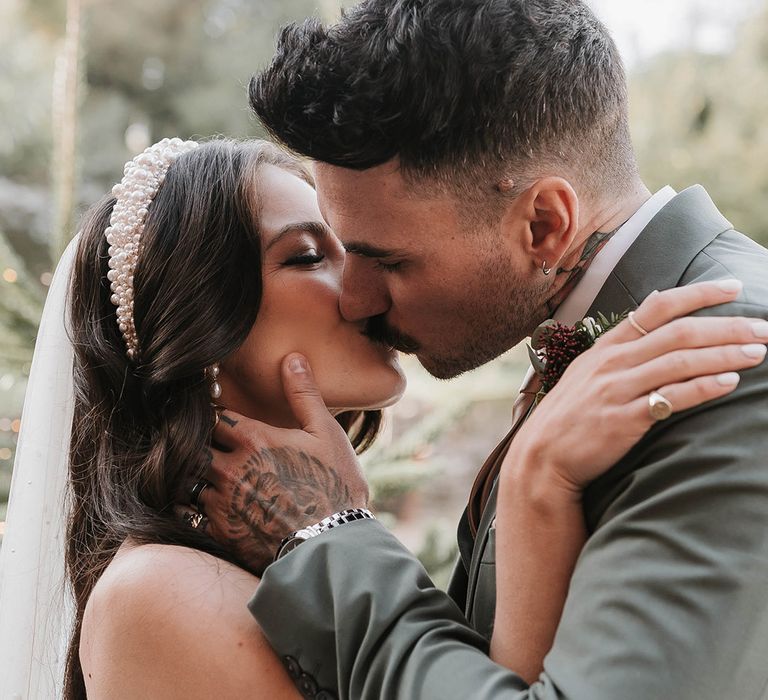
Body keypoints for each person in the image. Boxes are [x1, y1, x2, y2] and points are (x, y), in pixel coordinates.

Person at [0, 136, 759, 700]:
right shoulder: (160, 595)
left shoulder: (294, 544)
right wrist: (538, 484)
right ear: (201, 330)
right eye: (306, 257)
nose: (359, 292)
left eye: (366, 254)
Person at [195, 1, 768, 698]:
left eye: (390, 261)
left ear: (544, 224)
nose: (355, 298)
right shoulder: (599, 346)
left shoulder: (732, 361)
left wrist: (328, 538)